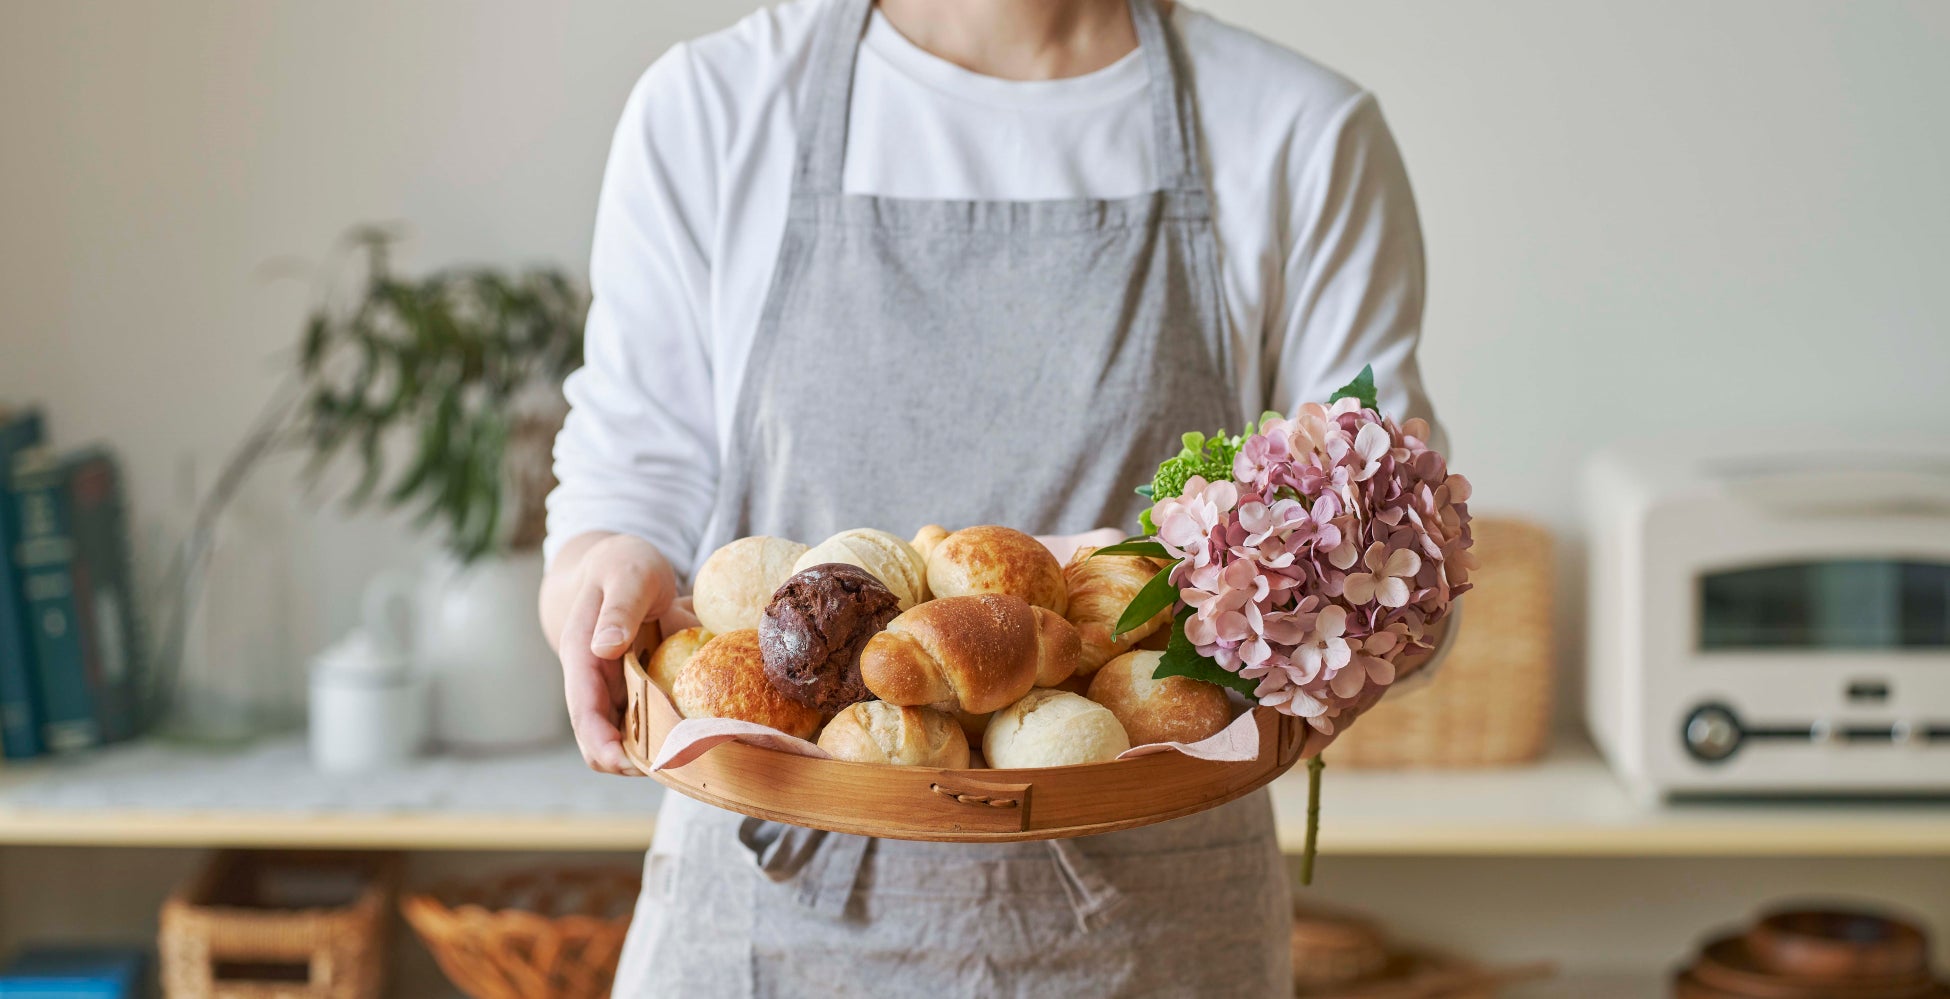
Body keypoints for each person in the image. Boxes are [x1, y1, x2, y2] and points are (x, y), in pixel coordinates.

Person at [540, 0, 1443, 993]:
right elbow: (630, 475)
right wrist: (598, 578)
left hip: (1154, 932)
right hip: (775, 915)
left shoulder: (1297, 131)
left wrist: (1352, 629)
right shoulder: (717, 105)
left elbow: (1391, 537)